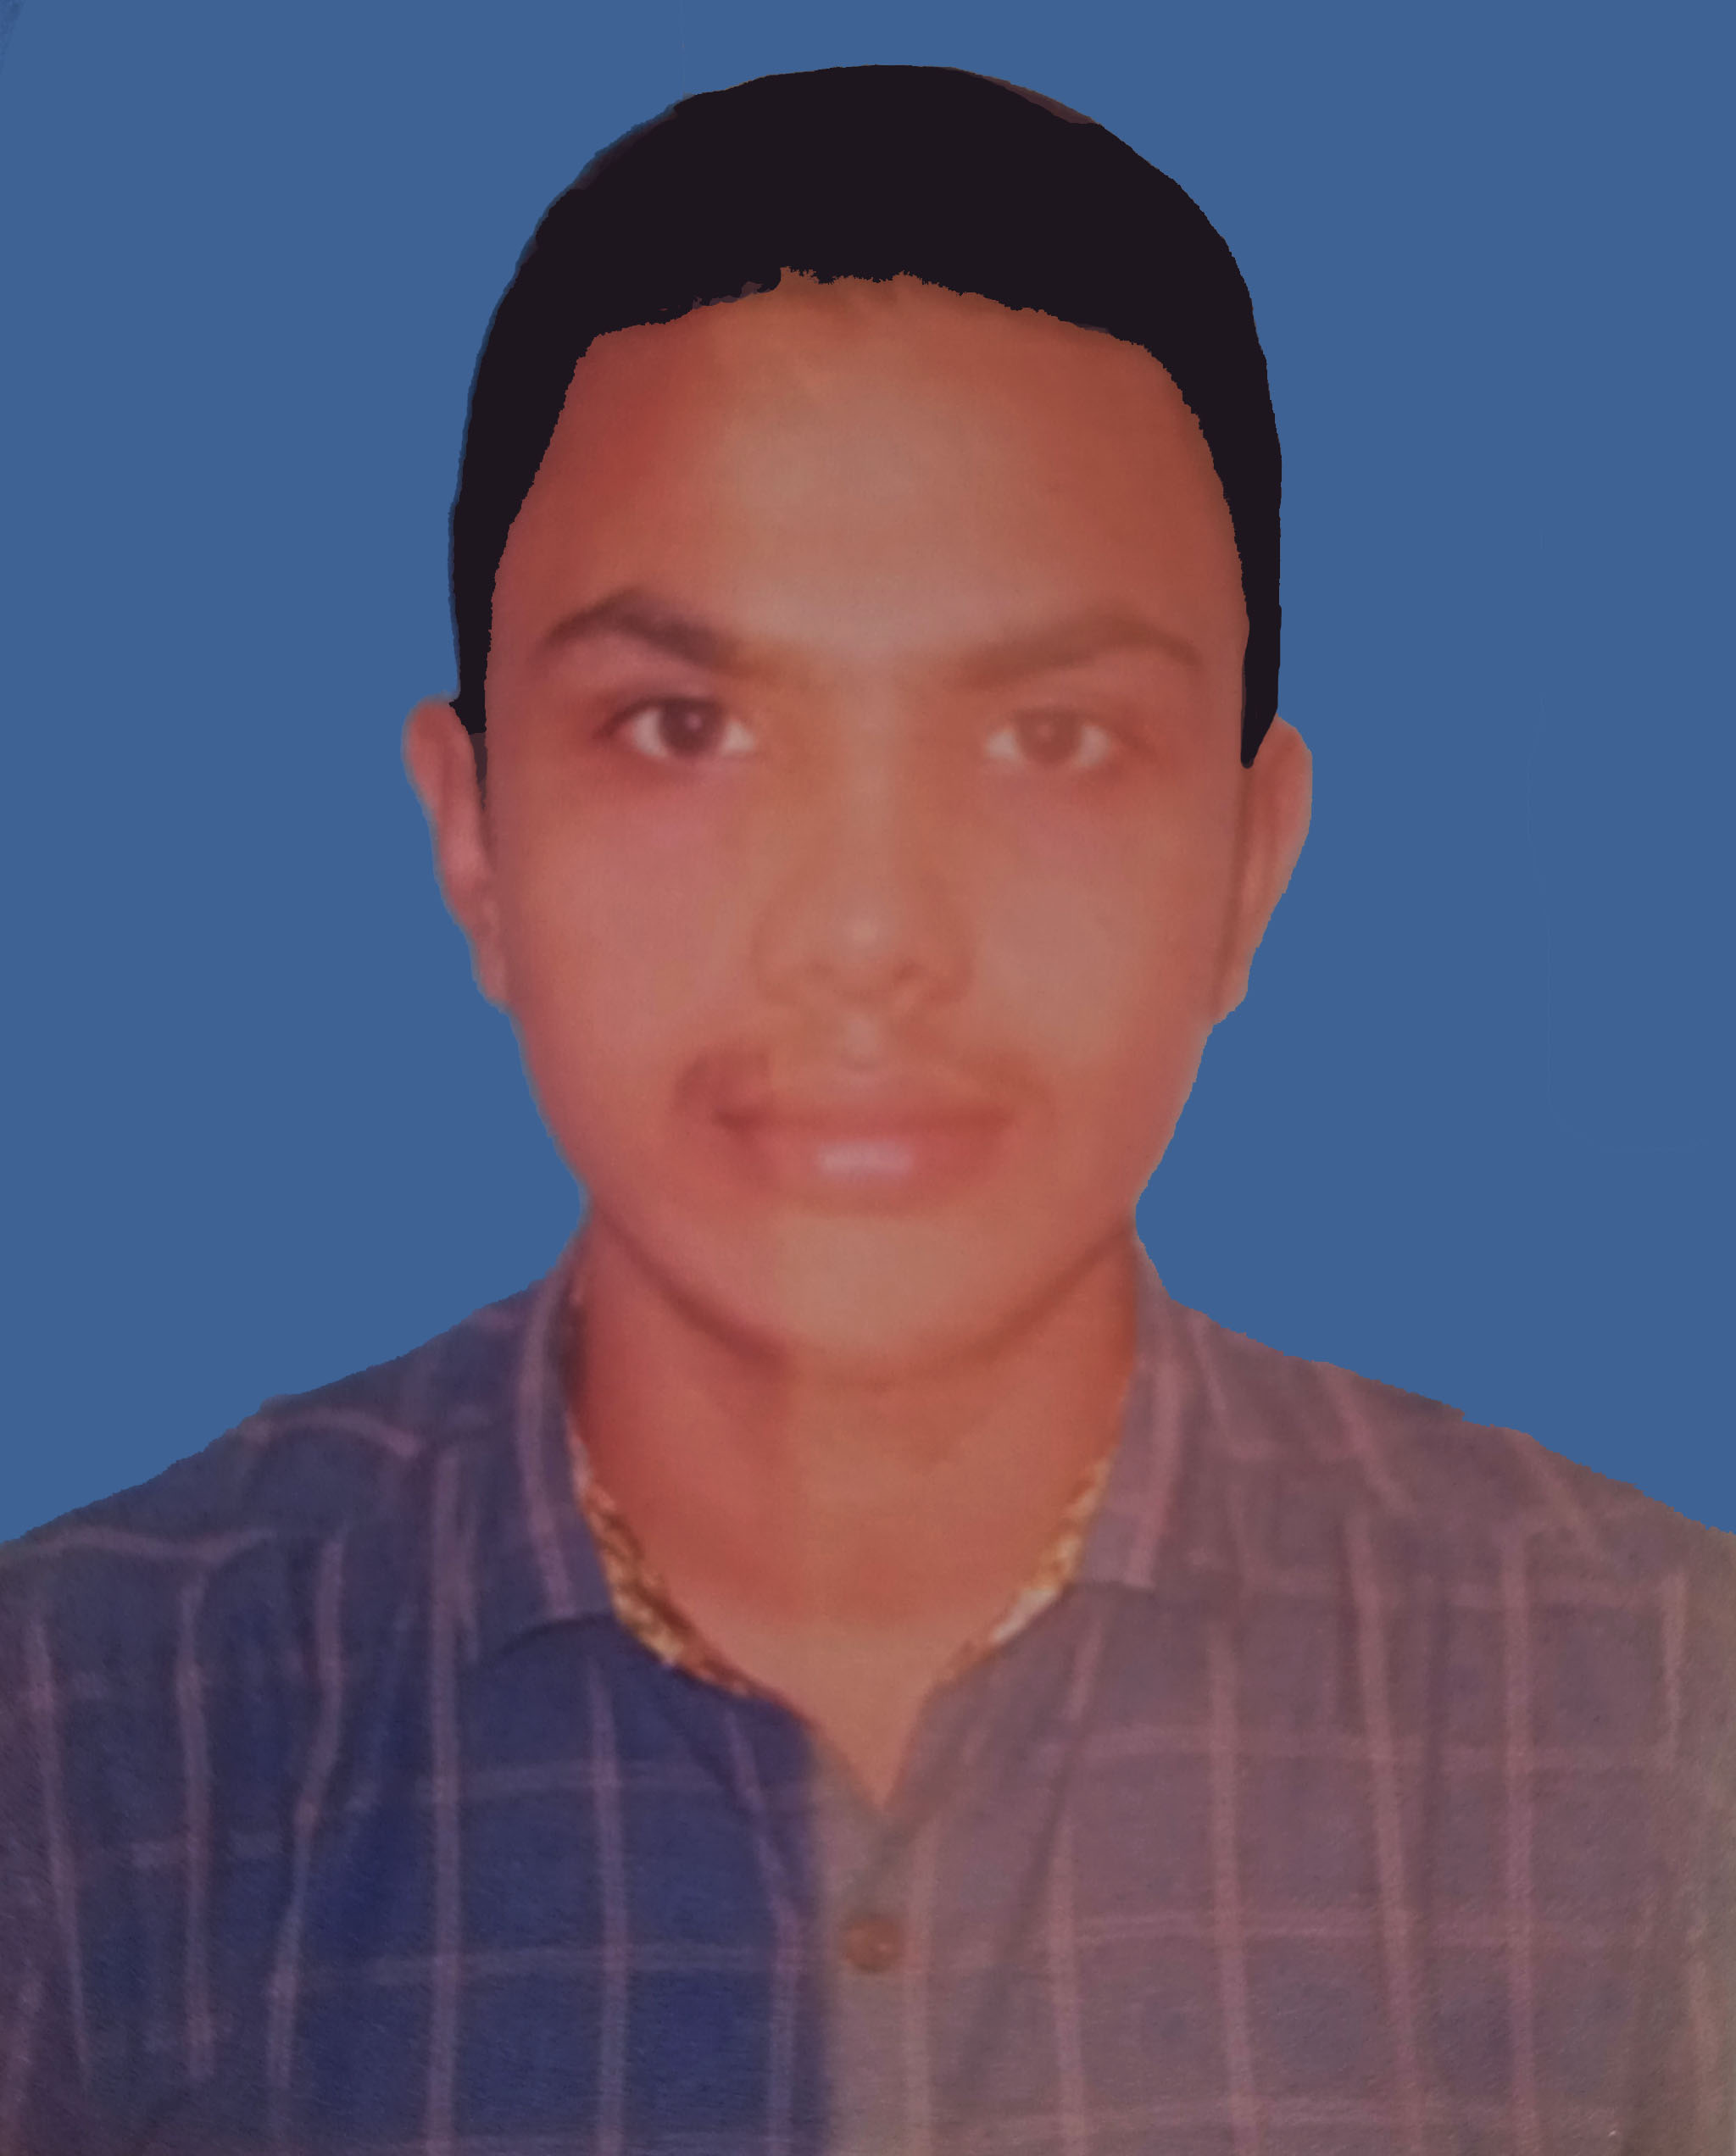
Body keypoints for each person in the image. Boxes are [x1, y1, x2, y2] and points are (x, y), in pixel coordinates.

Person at [3, 63, 1732, 2156]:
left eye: (1050, 738)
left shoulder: (1660, 1713)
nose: (861, 935)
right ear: (472, 839)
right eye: (684, 726)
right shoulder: (81, 1731)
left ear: (1248, 866)